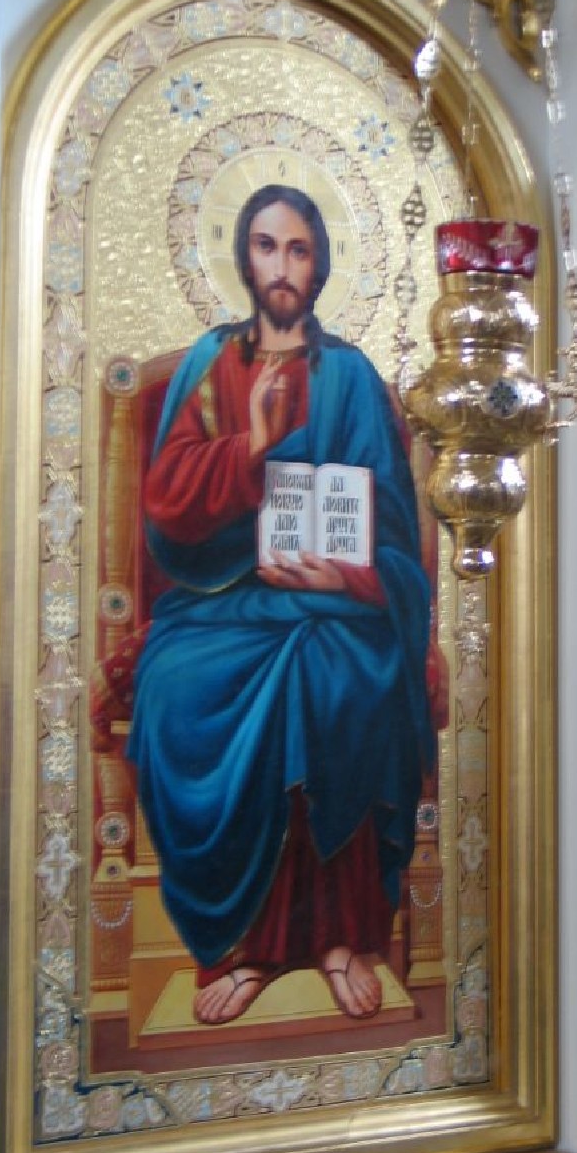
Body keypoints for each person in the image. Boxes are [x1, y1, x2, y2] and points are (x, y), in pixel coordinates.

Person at [126, 184, 435, 1025]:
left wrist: (348, 579)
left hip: (338, 605)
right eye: (268, 247)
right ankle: (249, 950)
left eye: (299, 249)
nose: (283, 267)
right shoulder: (212, 364)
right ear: (244, 257)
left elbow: (395, 531)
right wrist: (251, 448)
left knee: (340, 679)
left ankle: (341, 937)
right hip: (227, 598)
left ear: (320, 263)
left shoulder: (353, 377)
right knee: (174, 683)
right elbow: (166, 499)